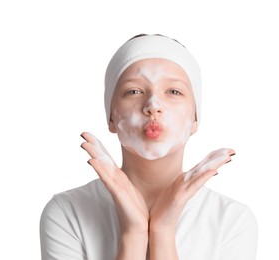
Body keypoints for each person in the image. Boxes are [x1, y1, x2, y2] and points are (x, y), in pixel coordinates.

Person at [40, 34, 258, 260]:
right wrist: (133, 234)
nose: (153, 105)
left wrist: (162, 232)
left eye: (174, 91)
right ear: (111, 117)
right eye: (133, 91)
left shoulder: (232, 220)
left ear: (195, 118)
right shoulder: (68, 212)